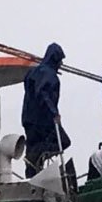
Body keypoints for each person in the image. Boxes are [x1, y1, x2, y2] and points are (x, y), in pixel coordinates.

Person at [21, 43, 70, 178]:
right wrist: (54, 113)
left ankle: (32, 176)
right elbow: (43, 94)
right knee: (63, 141)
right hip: (43, 120)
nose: (61, 63)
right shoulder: (49, 75)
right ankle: (36, 156)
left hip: (28, 118)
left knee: (32, 146)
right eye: (60, 60)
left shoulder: (32, 72)